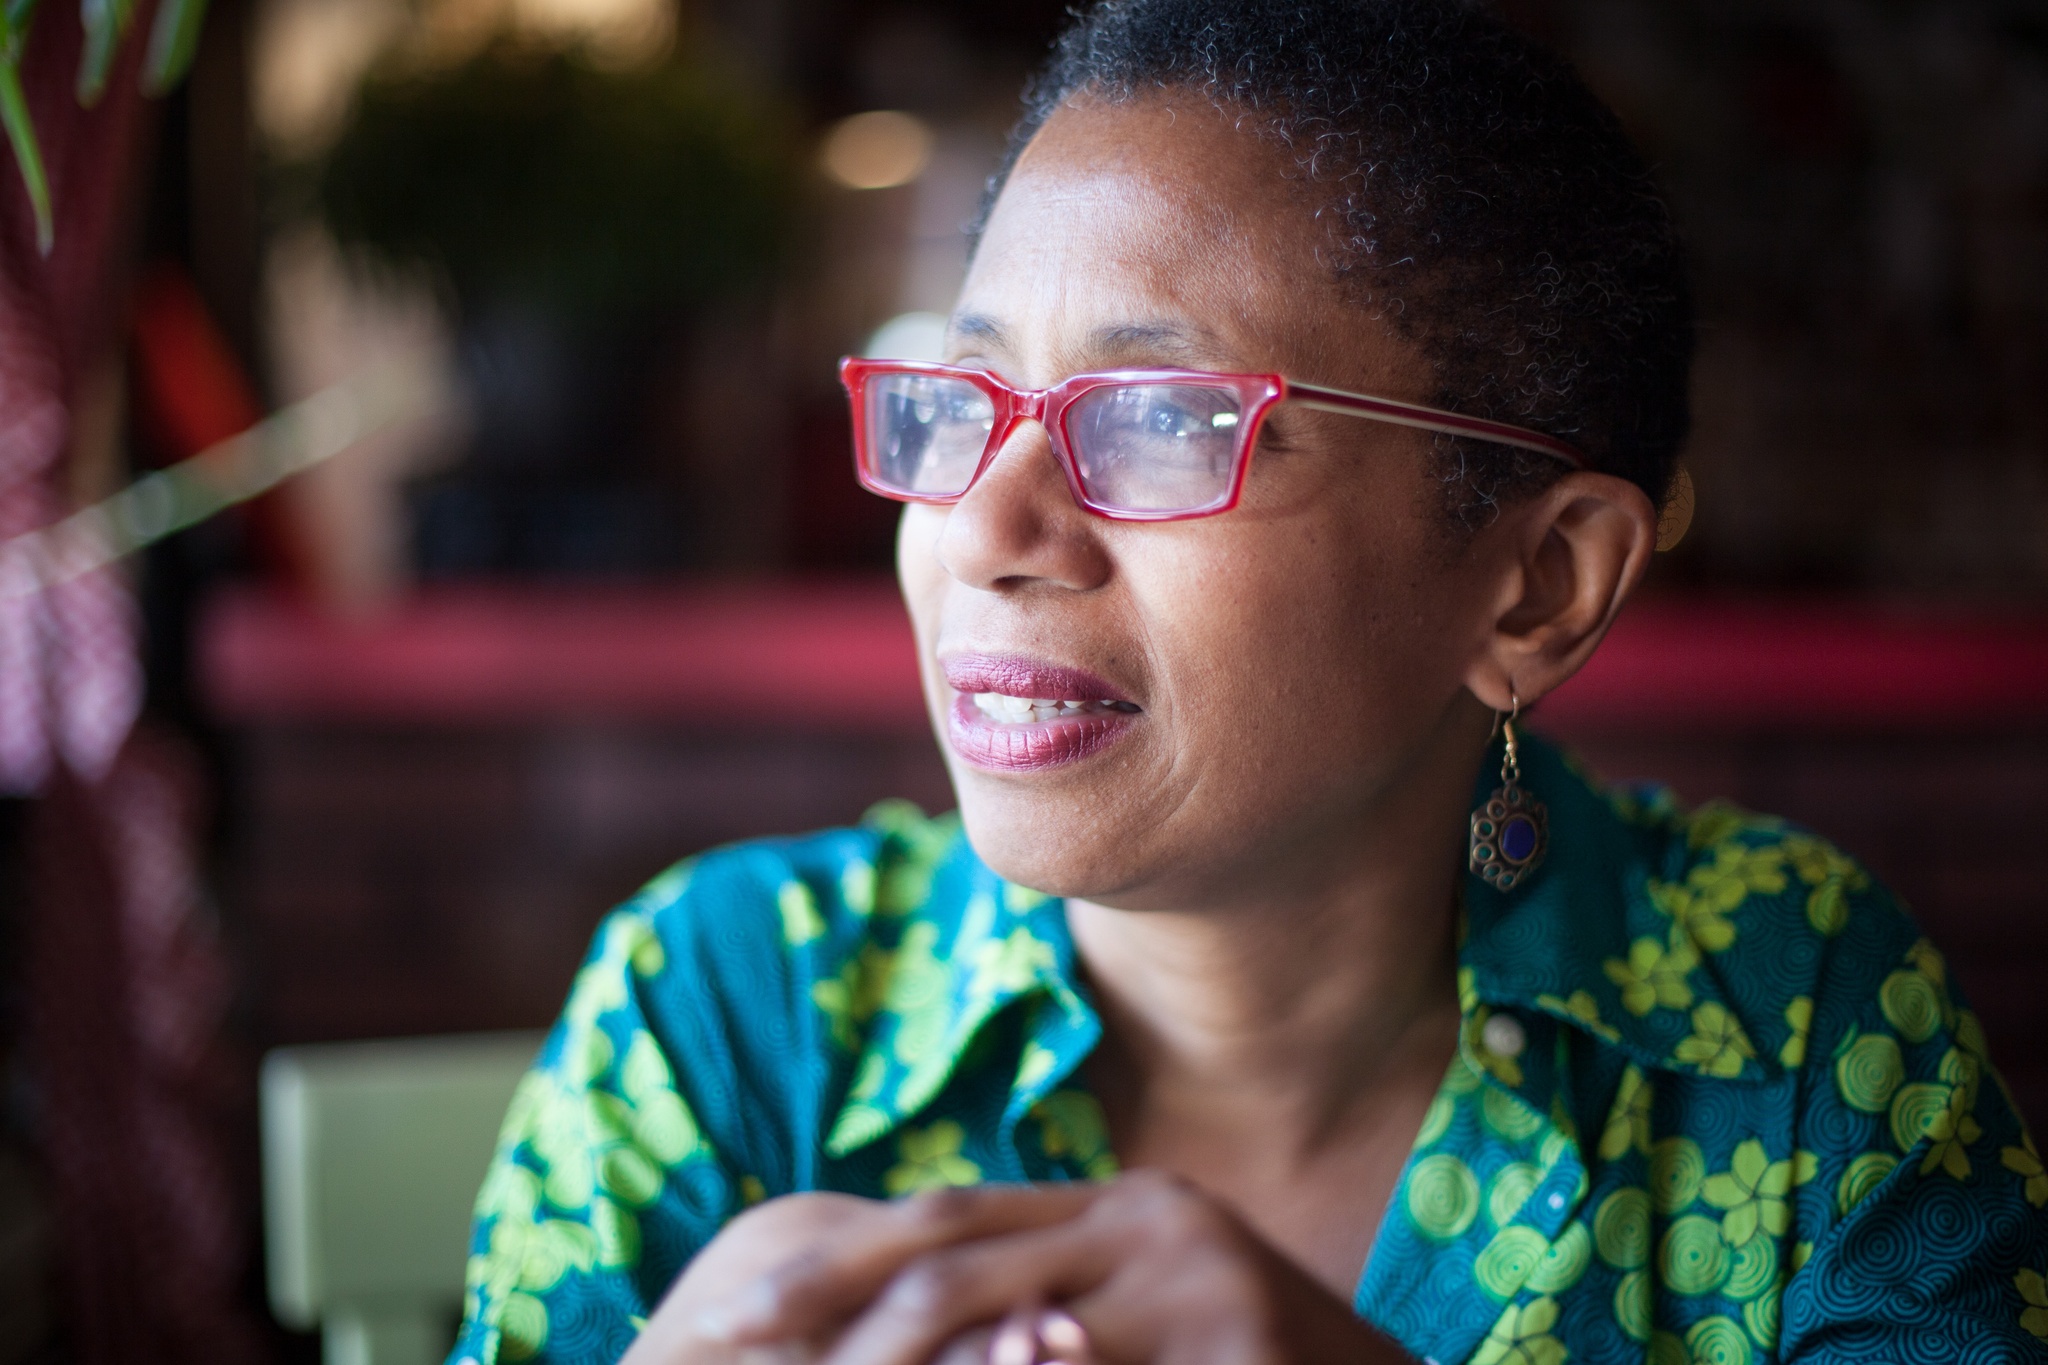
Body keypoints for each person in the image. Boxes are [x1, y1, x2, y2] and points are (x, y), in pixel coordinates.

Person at [447, 1, 2048, 1361]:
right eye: (966, 392)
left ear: (1538, 586)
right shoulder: (727, 1015)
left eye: (1161, 421)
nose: (984, 528)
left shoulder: (1794, 1024)